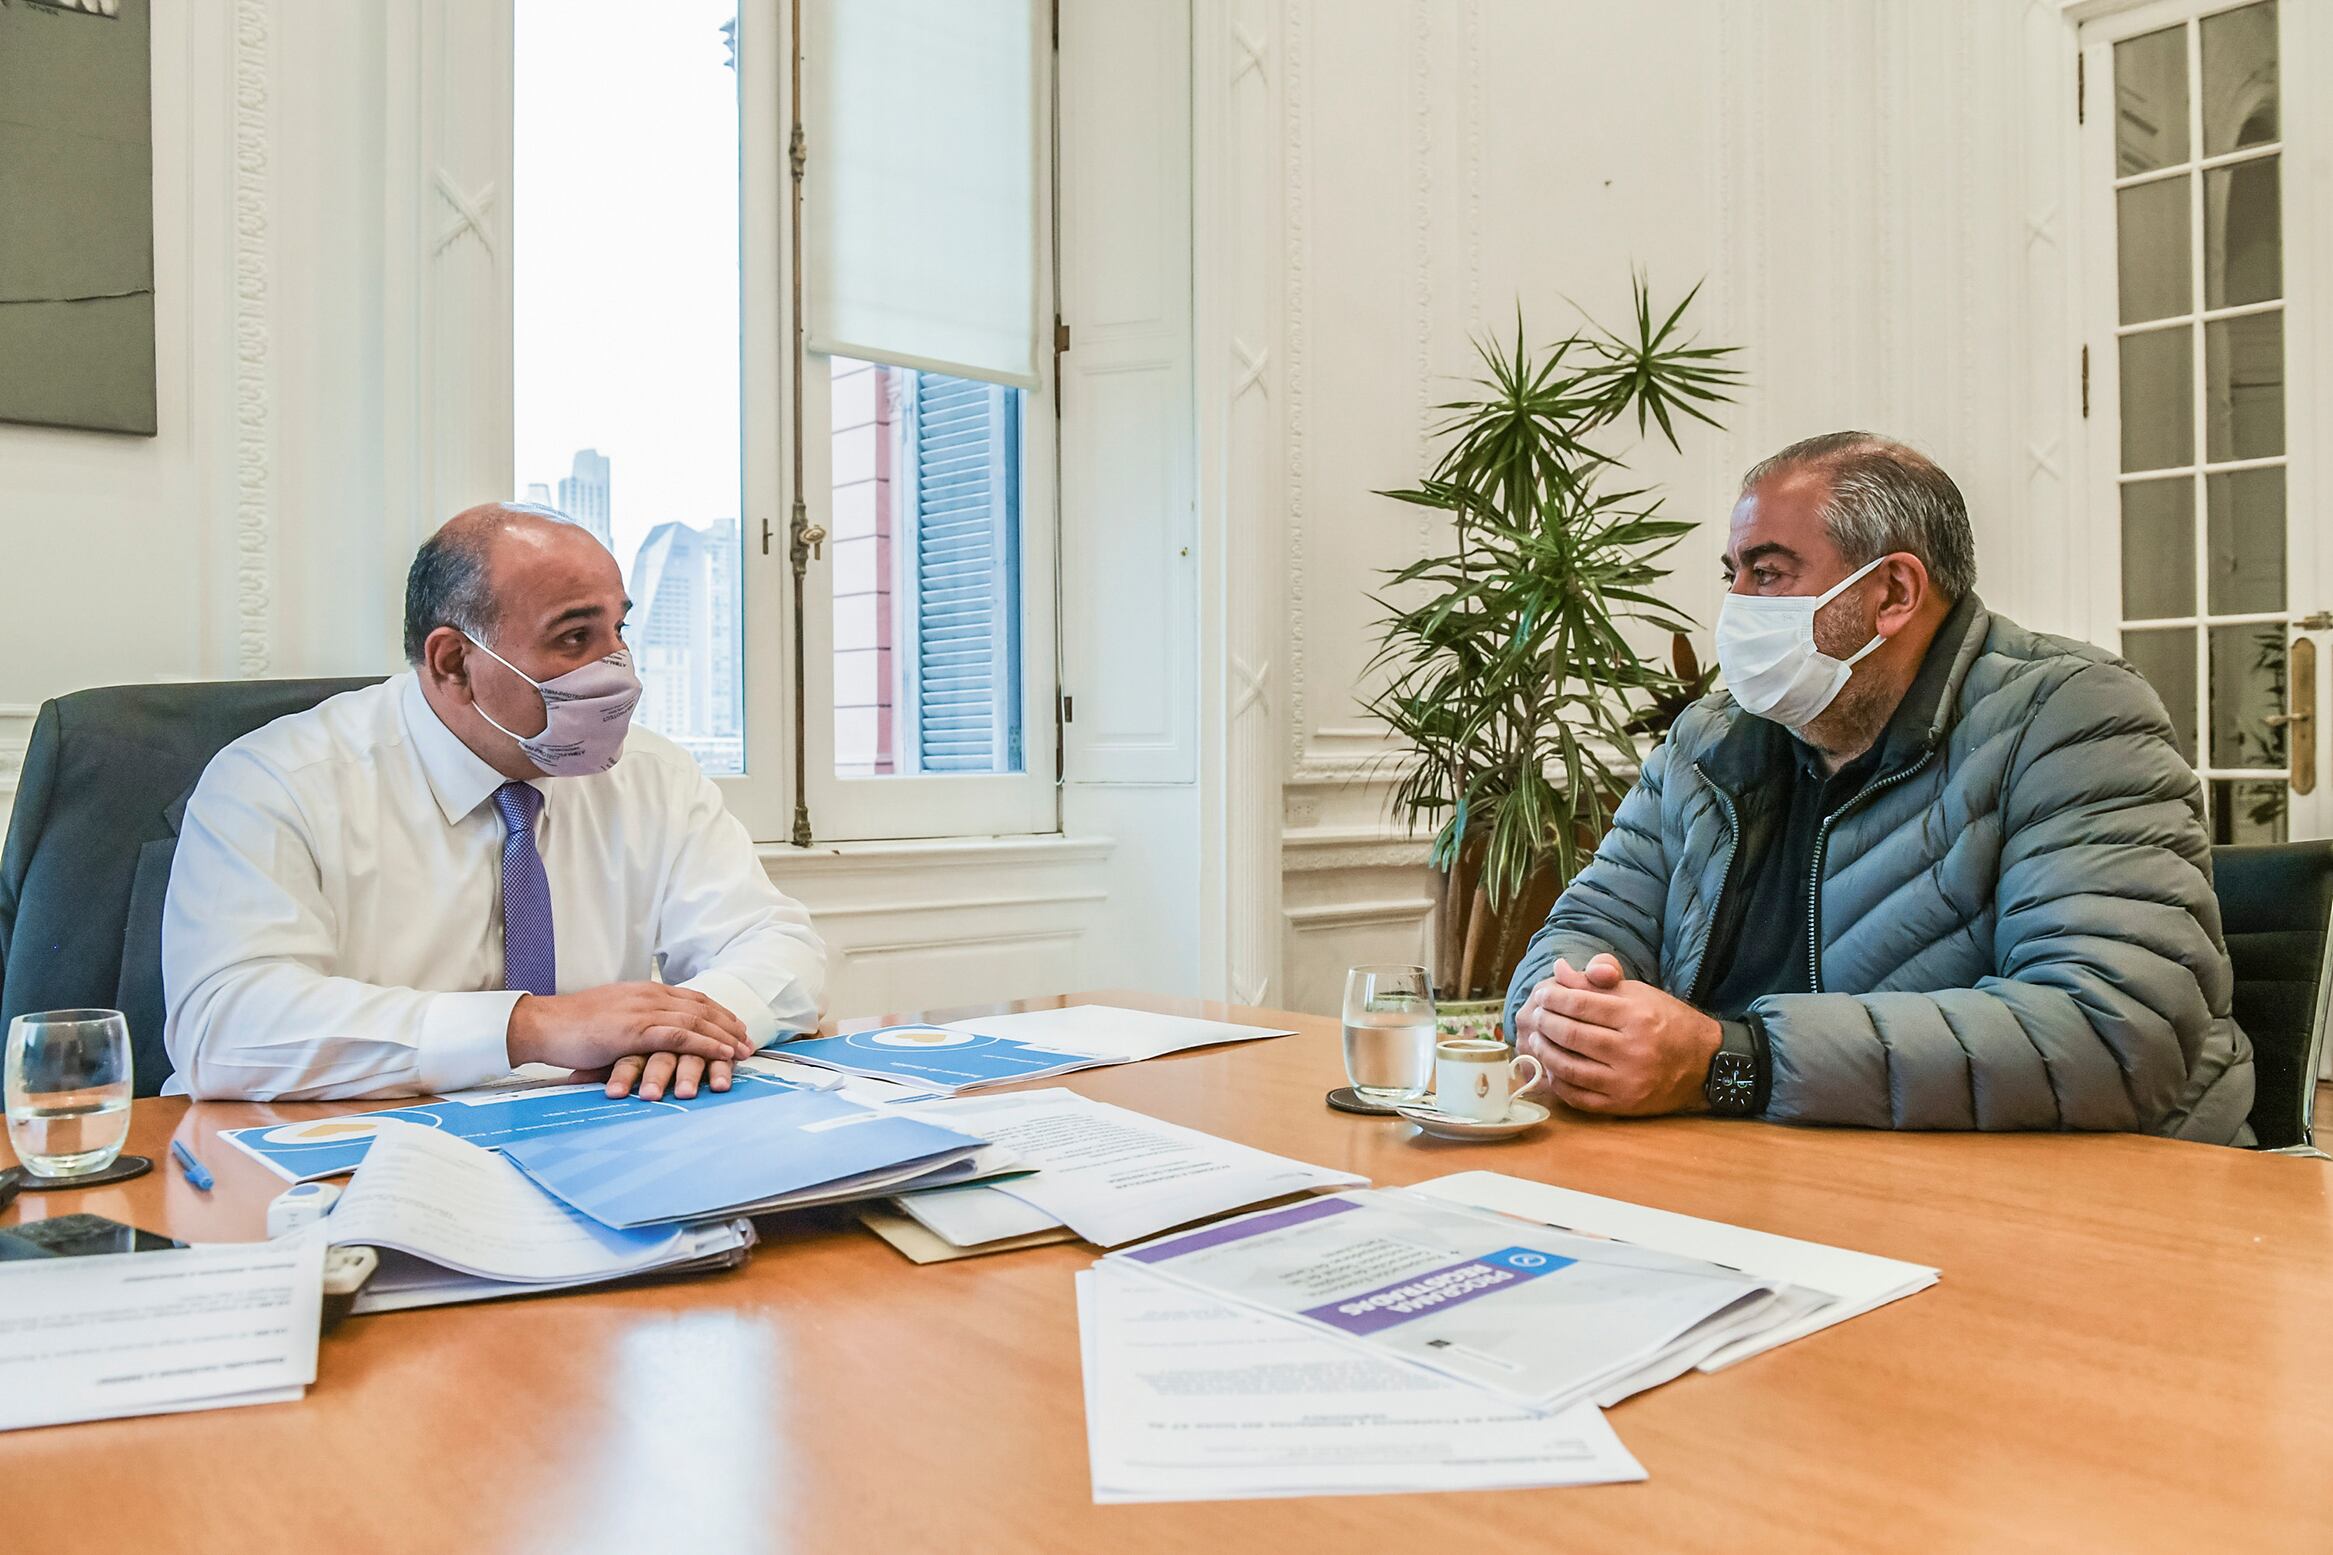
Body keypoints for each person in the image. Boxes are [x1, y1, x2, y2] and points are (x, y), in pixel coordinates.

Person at [1504, 432, 2255, 1142]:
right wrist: (1556, 1014)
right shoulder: (1709, 738)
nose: (1735, 605)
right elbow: (1589, 923)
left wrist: (1729, 1062)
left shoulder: (2071, 715)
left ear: (1893, 591)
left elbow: (2112, 1028)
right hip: (1763, 1166)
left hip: (2069, 1196)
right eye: (1731, 574)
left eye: (1766, 572)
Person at [162, 503, 826, 1102]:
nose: (620, 670)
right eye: (574, 638)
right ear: (452, 661)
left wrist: (690, 1023)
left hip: (594, 1132)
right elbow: (224, 1025)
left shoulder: (654, 773)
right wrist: (532, 1027)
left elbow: (777, 943)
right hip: (342, 1158)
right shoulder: (277, 781)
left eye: (618, 631)